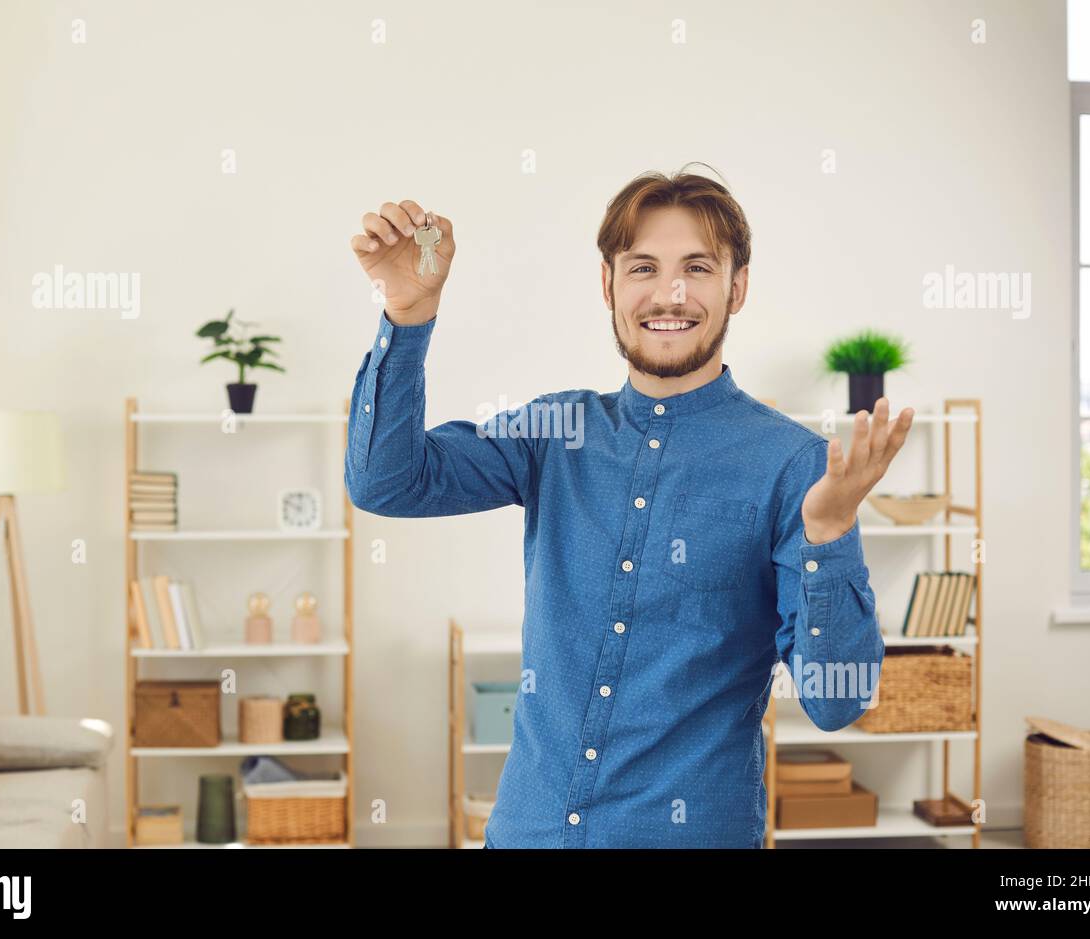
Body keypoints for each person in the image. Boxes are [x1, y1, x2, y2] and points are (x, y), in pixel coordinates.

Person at [345, 166, 914, 848]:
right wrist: (407, 315)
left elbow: (835, 700)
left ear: (737, 287)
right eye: (643, 266)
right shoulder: (556, 432)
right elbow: (386, 482)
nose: (669, 293)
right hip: (526, 833)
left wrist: (829, 531)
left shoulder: (795, 467)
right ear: (608, 283)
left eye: (697, 268)